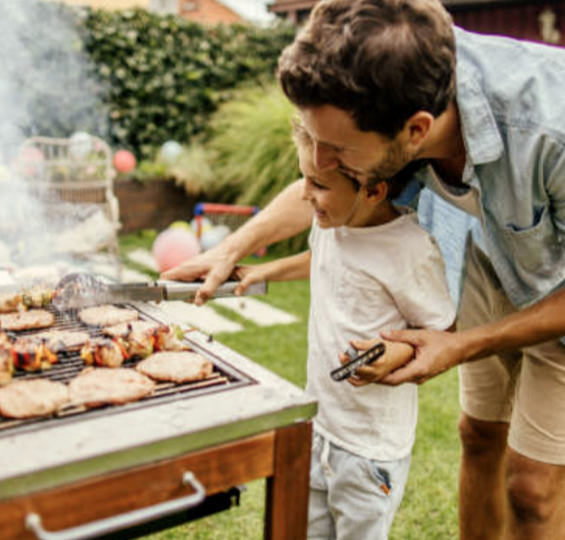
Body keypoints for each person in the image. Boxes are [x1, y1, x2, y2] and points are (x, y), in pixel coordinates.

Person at [162, 1, 565, 538]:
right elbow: (325, 184)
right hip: (486, 257)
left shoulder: (549, 129)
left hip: (556, 290)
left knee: (532, 488)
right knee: (478, 436)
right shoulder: (397, 77)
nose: (320, 162)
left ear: (416, 131)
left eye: (340, 150)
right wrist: (232, 248)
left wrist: (460, 344)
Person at [234, 121, 455, 540]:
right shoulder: (333, 221)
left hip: (369, 449)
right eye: (305, 178)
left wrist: (396, 354)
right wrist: (265, 270)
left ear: (373, 191)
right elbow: (319, 259)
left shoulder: (409, 250)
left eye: (317, 184)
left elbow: (441, 331)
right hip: (319, 425)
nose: (304, 194)